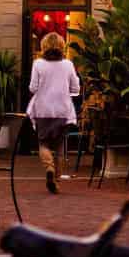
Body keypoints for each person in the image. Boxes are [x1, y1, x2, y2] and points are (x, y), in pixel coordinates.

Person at [27, 32, 79, 194]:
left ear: (44, 46)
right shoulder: (68, 65)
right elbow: (76, 89)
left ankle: (49, 168)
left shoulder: (38, 64)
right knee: (59, 145)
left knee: (43, 143)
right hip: (63, 109)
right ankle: (56, 180)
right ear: (62, 46)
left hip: (43, 109)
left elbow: (33, 88)